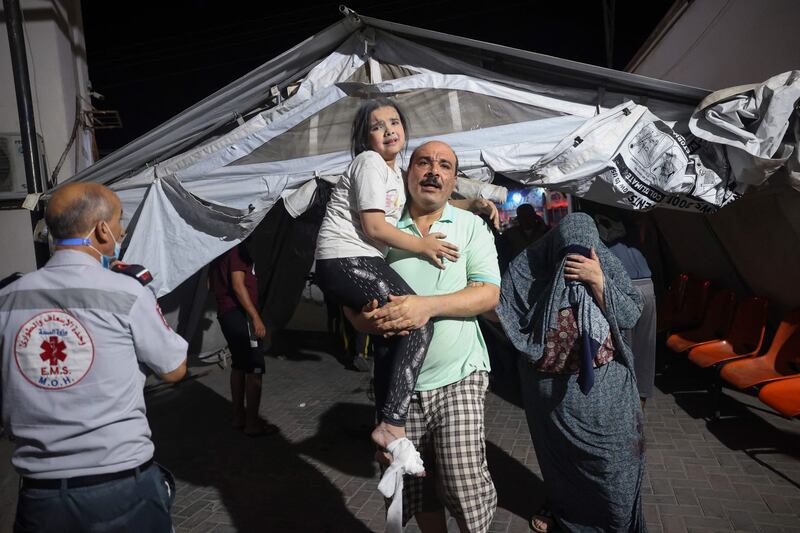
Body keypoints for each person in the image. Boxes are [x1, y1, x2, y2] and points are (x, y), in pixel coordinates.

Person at [314, 98, 495, 468]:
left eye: (394, 122)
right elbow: (374, 227)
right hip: (344, 257)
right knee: (415, 324)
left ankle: (389, 424)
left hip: (357, 263)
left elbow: (433, 200)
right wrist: (423, 245)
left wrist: (474, 203)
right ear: (365, 138)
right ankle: (391, 426)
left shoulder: (393, 176)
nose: (388, 130)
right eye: (377, 126)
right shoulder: (369, 163)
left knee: (408, 325)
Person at [0, 183, 188, 532]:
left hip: (41, 497)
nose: (121, 232)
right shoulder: (126, 291)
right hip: (121, 486)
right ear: (101, 229)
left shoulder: (7, 298)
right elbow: (175, 370)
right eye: (119, 223)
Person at [347, 140, 500, 533]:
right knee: (415, 486)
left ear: (453, 181)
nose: (434, 171)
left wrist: (425, 306)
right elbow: (349, 301)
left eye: (445, 165)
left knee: (465, 482)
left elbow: (487, 293)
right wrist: (363, 322)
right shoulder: (379, 228)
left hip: (459, 375)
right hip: (397, 385)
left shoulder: (470, 227)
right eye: (424, 162)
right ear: (406, 173)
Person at [496, 213, 645, 533]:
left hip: (607, 388)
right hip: (551, 395)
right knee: (562, 466)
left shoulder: (604, 264)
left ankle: (616, 522)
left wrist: (599, 281)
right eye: (567, 250)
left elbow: (631, 313)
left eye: (584, 249)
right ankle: (566, 512)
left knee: (612, 467)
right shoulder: (530, 268)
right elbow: (504, 308)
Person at [209, 242, 277, 436]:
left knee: (239, 365)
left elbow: (211, 285)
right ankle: (252, 423)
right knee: (255, 368)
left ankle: (239, 418)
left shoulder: (219, 250)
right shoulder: (237, 250)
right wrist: (255, 317)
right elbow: (238, 285)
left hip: (226, 312)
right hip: (240, 315)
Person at [595, 213, 657, 407]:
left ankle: (630, 414)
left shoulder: (598, 219)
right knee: (642, 352)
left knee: (626, 353)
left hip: (625, 286)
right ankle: (635, 416)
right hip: (644, 285)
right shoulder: (634, 215)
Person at [498, 203, 548, 271]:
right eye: (523, 217)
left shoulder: (545, 232)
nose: (526, 220)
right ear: (519, 218)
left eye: (528, 216)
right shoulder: (510, 234)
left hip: (542, 273)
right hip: (517, 273)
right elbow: (503, 257)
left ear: (534, 217)